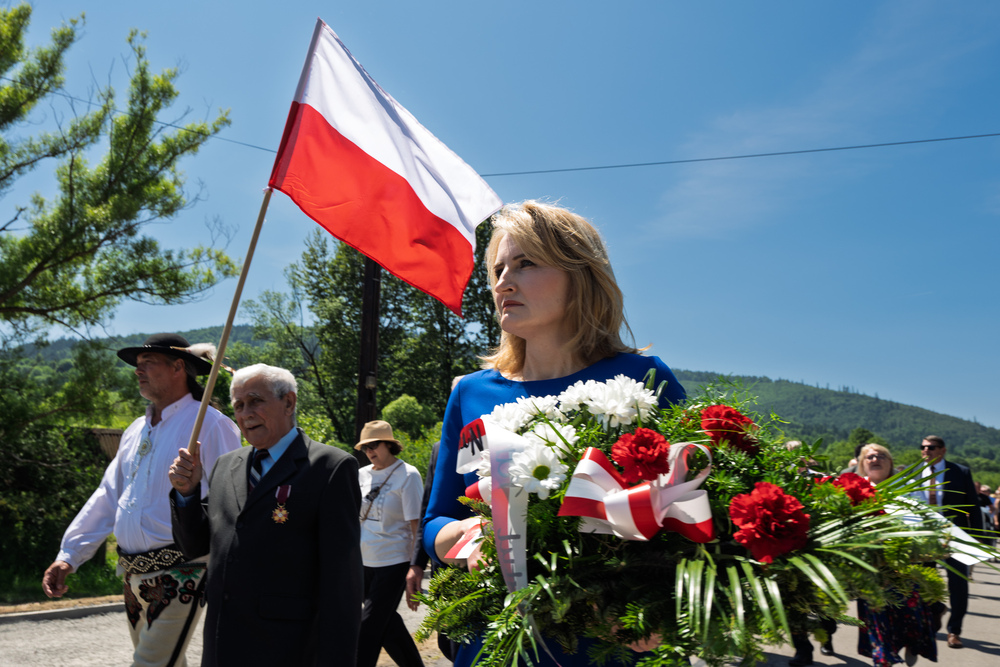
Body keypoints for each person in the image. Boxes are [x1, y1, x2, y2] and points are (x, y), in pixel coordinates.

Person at [421, 201, 687, 667]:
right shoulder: (469, 393)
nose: (504, 282)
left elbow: (693, 508)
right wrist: (470, 537)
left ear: (579, 275)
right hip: (498, 645)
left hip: (614, 646)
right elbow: (435, 522)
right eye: (499, 269)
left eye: (525, 264)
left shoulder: (643, 378)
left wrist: (655, 606)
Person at [41, 333, 241, 667]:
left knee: (150, 665)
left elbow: (234, 500)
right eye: (138, 365)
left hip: (185, 572)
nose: (138, 371)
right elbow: (109, 495)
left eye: (148, 363)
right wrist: (70, 554)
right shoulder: (136, 429)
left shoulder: (210, 424)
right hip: (132, 574)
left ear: (179, 367)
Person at [168, 363, 363, 666]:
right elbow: (197, 545)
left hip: (288, 649)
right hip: (223, 646)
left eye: (256, 400)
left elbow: (343, 583)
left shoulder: (330, 467)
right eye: (239, 405)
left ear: (288, 402)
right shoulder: (224, 466)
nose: (246, 413)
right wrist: (186, 494)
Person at [856, 444, 936, 667]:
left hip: (905, 565)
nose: (875, 459)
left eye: (881, 456)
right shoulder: (857, 489)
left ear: (890, 462)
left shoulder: (908, 487)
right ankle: (883, 661)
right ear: (862, 464)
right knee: (878, 622)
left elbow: (924, 519)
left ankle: (912, 643)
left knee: (909, 616)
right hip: (871, 570)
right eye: (869, 457)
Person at [355, 420, 425, 667]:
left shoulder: (408, 474)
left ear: (389, 444)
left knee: (368, 628)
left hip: (395, 561)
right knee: (387, 624)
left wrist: (415, 567)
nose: (369, 451)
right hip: (362, 561)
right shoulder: (360, 474)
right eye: (365, 447)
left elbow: (417, 524)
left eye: (374, 445)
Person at [916, 434, 982, 649]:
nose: (926, 450)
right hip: (925, 538)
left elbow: (972, 507)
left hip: (956, 537)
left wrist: (977, 540)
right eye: (923, 447)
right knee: (924, 583)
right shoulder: (913, 472)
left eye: (932, 447)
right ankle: (933, 614)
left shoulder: (960, 472)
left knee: (958, 585)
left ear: (943, 450)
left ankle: (954, 631)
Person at [405, 440, 458, 662]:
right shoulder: (441, 447)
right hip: (446, 565)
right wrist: (416, 564)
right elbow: (429, 508)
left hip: (492, 561)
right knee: (447, 642)